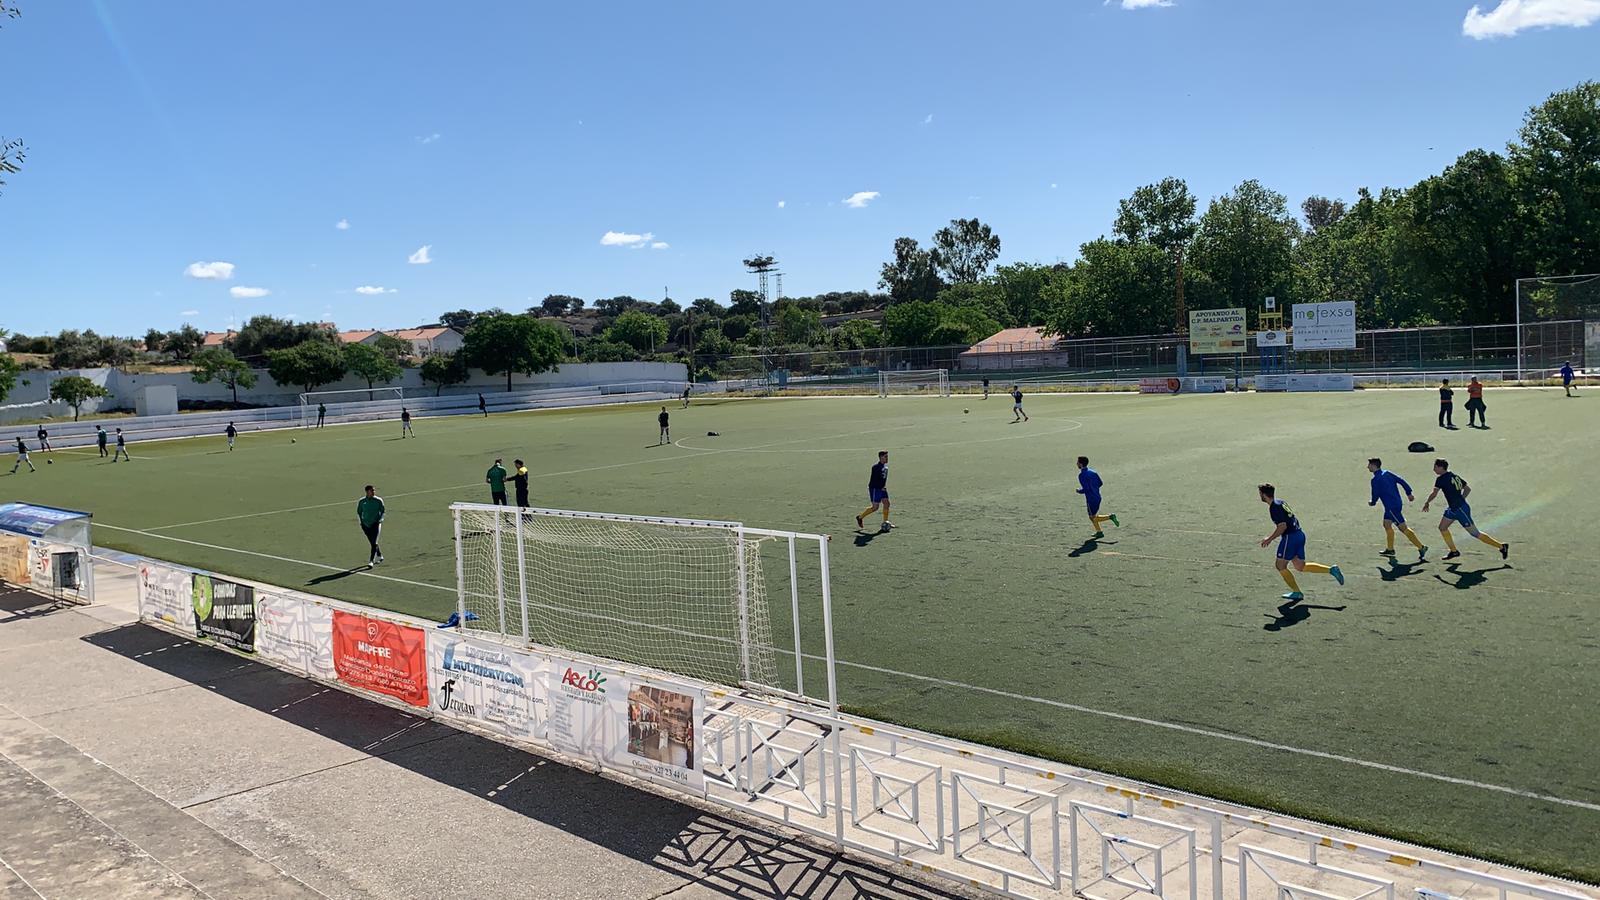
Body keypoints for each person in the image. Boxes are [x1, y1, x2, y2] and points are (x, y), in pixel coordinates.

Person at [1257, 483, 1343, 601]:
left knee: (1280, 565)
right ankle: (1331, 570)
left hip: (1290, 538)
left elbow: (1282, 526)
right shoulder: (1281, 502)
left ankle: (1297, 592)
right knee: (1300, 566)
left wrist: (1269, 539)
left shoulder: (1274, 508)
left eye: (1260, 493)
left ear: (1263, 494)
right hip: (1299, 535)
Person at [1422, 459, 1508, 562]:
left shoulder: (1441, 479)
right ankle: (1453, 551)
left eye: (1435, 467)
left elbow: (1434, 493)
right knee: (1442, 527)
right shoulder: (1454, 476)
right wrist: (1461, 499)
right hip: (1453, 508)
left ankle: (1502, 546)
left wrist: (1427, 502)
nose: (1433, 469)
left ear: (1441, 467)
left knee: (1475, 533)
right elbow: (1467, 489)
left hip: (1460, 510)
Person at [1367, 458, 1426, 559]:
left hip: (1391, 507)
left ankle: (1421, 547)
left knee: (1403, 528)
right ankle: (1390, 549)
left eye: (1369, 465)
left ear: (1374, 466)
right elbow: (1401, 480)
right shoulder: (1387, 473)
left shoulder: (1375, 480)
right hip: (1396, 503)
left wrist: (1373, 502)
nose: (1367, 467)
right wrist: (1409, 493)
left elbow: (1375, 493)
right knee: (1386, 524)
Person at [1075, 456, 1119, 537]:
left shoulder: (1082, 475)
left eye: (1077, 462)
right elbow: (1100, 483)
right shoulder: (1093, 472)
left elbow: (1086, 489)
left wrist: (1079, 490)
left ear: (1080, 464)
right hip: (1097, 496)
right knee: (1093, 516)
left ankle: (1110, 517)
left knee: (1092, 517)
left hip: (1091, 499)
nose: (1076, 464)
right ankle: (1099, 532)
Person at [855, 450, 893, 532]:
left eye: (887, 456)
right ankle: (860, 517)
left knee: (887, 503)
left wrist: (883, 486)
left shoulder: (885, 467)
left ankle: (885, 522)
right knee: (875, 507)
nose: (887, 458)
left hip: (882, 488)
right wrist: (880, 487)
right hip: (875, 489)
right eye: (885, 457)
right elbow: (874, 480)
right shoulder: (876, 467)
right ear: (881, 457)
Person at [357, 485, 385, 565]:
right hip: (365, 525)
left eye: (374, 490)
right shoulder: (362, 501)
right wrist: (361, 523)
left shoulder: (378, 500)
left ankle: (371, 561)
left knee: (374, 542)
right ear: (367, 492)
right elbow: (359, 512)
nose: (373, 492)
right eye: (372, 491)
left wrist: (380, 520)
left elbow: (383, 511)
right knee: (373, 542)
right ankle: (379, 555)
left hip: (376, 524)